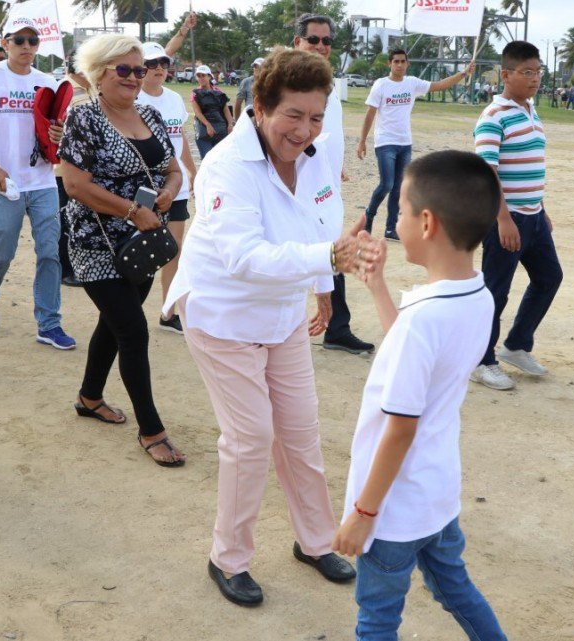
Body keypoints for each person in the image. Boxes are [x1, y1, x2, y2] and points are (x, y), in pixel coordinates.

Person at [165, 49, 379, 607]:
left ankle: (314, 541)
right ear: (258, 108)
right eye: (293, 115)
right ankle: (227, 558)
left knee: (301, 433)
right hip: (223, 313)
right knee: (251, 438)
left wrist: (327, 287)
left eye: (315, 116)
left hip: (282, 314)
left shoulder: (319, 152)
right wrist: (328, 258)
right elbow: (243, 257)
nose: (304, 130)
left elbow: (324, 220)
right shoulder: (225, 166)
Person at [333, 150, 508, 641]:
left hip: (392, 512)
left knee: (377, 620)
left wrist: (362, 515)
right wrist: (377, 287)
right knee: (457, 592)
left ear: (426, 222)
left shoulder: (422, 320)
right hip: (436, 498)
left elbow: (400, 428)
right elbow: (413, 360)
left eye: (402, 211)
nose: (399, 222)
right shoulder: (479, 294)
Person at [59, 34, 188, 466]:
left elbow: (172, 168)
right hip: (97, 242)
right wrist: (133, 211)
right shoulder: (85, 118)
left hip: (142, 242)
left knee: (115, 324)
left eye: (140, 69)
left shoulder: (149, 113)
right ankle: (151, 429)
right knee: (133, 331)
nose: (135, 77)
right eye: (125, 69)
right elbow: (75, 185)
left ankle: (89, 397)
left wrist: (169, 192)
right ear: (99, 73)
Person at [0, 17, 76, 349]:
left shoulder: (47, 81)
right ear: (6, 43)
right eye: (19, 40)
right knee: (3, 251)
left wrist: (58, 133)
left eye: (33, 40)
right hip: (4, 182)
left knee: (50, 252)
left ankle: (49, 323)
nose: (27, 46)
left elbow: (54, 129)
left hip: (42, 181)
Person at [470, 41, 563, 391]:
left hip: (535, 217)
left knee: (549, 277)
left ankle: (517, 345)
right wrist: (503, 219)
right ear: (505, 75)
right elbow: (486, 172)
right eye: (527, 72)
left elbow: (528, 167)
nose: (535, 78)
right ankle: (481, 361)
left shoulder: (530, 109)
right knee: (496, 291)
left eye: (538, 71)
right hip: (507, 220)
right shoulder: (494, 116)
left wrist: (543, 209)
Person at [294, 12, 376, 356]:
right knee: (309, 255)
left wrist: (335, 167)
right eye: (313, 39)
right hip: (299, 190)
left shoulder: (327, 84)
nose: (321, 46)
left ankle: (336, 327)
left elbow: (325, 138)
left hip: (325, 189)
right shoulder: (289, 85)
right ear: (297, 42)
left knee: (332, 253)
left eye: (327, 40)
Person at [356, 48, 473, 241]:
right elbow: (370, 114)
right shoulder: (381, 85)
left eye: (403, 61)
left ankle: (390, 228)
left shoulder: (412, 83)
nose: (400, 65)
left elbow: (440, 85)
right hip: (385, 142)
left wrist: (463, 73)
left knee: (398, 188)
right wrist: (362, 141)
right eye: (396, 61)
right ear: (389, 64)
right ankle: (368, 216)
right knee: (386, 184)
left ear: (407, 63)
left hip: (405, 143)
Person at [137, 41, 198, 334]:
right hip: (145, 187)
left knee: (173, 250)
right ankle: (129, 310)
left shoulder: (174, 99)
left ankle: (167, 312)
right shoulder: (132, 98)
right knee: (138, 250)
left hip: (178, 187)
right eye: (151, 64)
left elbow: (180, 137)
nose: (159, 68)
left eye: (163, 63)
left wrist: (192, 170)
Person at [55, 52, 93, 288]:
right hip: (64, 168)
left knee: (81, 218)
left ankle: (79, 264)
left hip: (90, 168)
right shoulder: (65, 88)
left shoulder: (92, 88)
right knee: (64, 220)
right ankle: (64, 268)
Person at [191, 65, 232, 158]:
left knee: (220, 159)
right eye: (199, 76)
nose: (201, 78)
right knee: (207, 159)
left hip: (220, 130)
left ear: (209, 76)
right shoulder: (195, 93)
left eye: (203, 75)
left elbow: (225, 109)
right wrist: (208, 125)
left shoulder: (218, 91)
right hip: (203, 131)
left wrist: (230, 124)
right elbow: (197, 112)